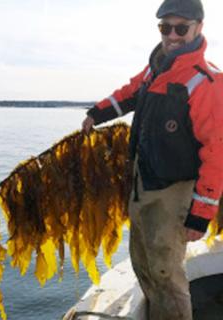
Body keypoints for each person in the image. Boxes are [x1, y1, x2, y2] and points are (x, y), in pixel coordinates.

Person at [81, 0, 223, 319]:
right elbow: (129, 93)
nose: (172, 35)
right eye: (165, 27)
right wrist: (97, 112)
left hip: (174, 193)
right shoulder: (155, 68)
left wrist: (201, 214)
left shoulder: (207, 81)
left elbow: (216, 152)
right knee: (142, 263)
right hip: (141, 184)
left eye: (180, 27)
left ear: (199, 28)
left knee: (166, 275)